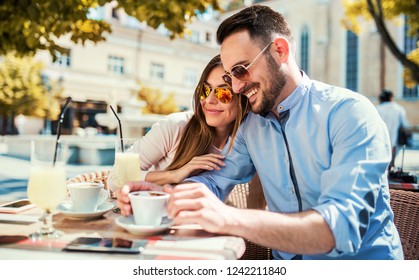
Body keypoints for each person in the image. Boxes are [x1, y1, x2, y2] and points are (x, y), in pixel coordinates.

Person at [118, 5, 403, 260]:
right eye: (230, 77)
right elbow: (215, 181)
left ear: (280, 50)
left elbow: (341, 230)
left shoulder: (350, 113)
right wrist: (162, 195)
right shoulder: (251, 127)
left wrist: (229, 218)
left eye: (241, 70)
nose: (237, 88)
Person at [110, 55, 263, 207]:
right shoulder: (175, 127)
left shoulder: (244, 145)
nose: (209, 100)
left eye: (223, 93)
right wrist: (175, 174)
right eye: (205, 89)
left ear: (243, 99)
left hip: (195, 225)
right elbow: (114, 178)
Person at [376, 89, 410, 171]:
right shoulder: (398, 109)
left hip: (380, 139)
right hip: (394, 140)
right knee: (391, 160)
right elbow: (405, 125)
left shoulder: (378, 108)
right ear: (391, 97)